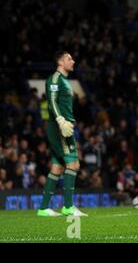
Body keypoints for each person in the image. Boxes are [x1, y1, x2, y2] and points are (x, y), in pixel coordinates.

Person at [37, 51, 87, 217]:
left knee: (57, 167)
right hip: (60, 127)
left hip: (65, 126)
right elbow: (51, 101)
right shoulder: (55, 79)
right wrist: (60, 120)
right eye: (69, 58)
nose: (72, 61)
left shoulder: (64, 80)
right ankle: (68, 207)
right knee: (73, 164)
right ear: (60, 62)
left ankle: (43, 208)